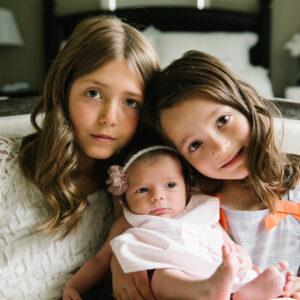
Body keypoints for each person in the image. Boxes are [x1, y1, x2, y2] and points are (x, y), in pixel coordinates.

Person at [0, 15, 159, 299]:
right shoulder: (5, 162)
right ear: (64, 90)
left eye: (130, 102)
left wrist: (125, 253)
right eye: (94, 93)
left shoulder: (134, 195)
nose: (109, 118)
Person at [137, 50, 300, 298]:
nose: (220, 147)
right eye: (195, 145)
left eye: (223, 120)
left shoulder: (297, 184)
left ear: (243, 103)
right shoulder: (191, 197)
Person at [64, 145, 294, 300]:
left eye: (170, 185)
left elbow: (224, 241)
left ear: (187, 185)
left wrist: (241, 255)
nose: (157, 196)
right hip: (177, 283)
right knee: (163, 276)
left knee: (240, 272)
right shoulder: (129, 222)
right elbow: (100, 259)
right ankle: (209, 290)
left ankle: (245, 293)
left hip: (216, 269)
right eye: (143, 190)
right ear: (124, 195)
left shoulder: (202, 208)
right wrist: (74, 286)